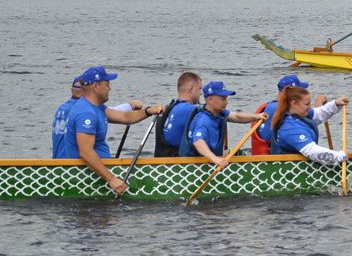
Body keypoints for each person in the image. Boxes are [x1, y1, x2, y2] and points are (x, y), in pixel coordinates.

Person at [54, 66, 165, 196]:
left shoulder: (96, 107)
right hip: (86, 179)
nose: (110, 88)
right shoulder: (86, 113)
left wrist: (148, 111)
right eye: (107, 84)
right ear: (96, 86)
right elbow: (85, 152)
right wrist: (111, 179)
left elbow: (124, 117)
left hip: (98, 173)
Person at [178, 81, 267, 168]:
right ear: (210, 99)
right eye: (223, 99)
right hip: (194, 166)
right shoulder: (203, 120)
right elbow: (198, 142)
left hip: (211, 160)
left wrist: (256, 117)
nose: (226, 102)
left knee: (239, 153)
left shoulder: (219, 113)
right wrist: (216, 159)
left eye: (226, 98)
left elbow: (236, 116)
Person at [270, 86, 350, 165]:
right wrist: (338, 156)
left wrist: (336, 104)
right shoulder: (289, 128)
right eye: (307, 104)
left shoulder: (301, 114)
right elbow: (312, 151)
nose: (309, 107)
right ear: (294, 103)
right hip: (288, 171)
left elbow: (319, 114)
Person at [252, 74, 327, 155]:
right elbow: (312, 120)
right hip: (271, 159)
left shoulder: (270, 105)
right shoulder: (280, 108)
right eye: (299, 92)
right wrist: (319, 102)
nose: (302, 94)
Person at [155, 71, 202, 157]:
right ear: (191, 88)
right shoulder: (187, 109)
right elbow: (211, 111)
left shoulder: (169, 108)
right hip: (175, 164)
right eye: (199, 89)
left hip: (161, 161)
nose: (201, 93)